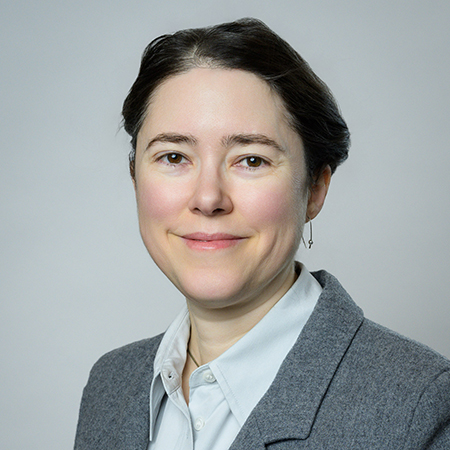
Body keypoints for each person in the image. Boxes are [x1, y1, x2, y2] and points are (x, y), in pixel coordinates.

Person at [74, 18, 450, 449]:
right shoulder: (111, 386)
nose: (208, 198)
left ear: (315, 189)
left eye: (251, 160)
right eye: (174, 157)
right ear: (135, 178)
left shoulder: (418, 407)